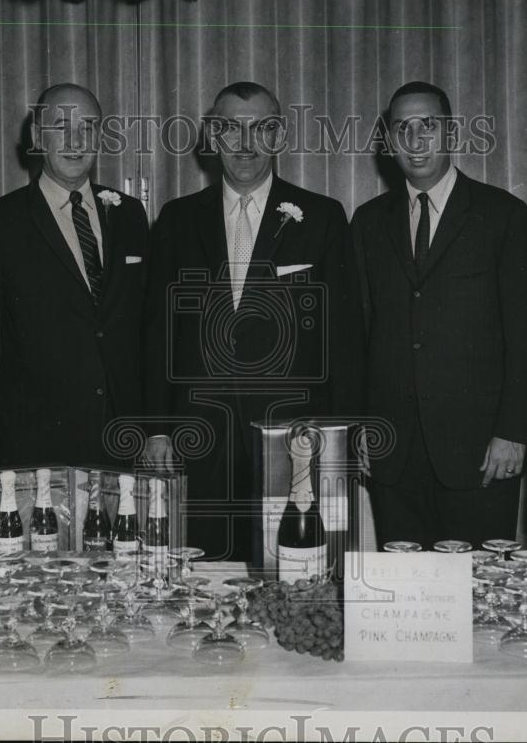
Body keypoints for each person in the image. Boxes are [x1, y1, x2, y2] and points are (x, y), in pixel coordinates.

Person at [142, 81, 362, 563]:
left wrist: (340, 438)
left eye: (260, 129)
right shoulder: (177, 220)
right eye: (230, 129)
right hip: (199, 436)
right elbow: (158, 333)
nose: (245, 144)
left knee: (293, 569)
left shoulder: (322, 217)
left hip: (295, 438)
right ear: (212, 138)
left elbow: (343, 338)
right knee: (203, 572)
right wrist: (157, 428)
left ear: (279, 137)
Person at [352, 81, 527, 550]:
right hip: (393, 453)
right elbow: (358, 334)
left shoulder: (503, 215)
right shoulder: (368, 221)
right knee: (408, 604)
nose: (416, 140)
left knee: (479, 600)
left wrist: (513, 433)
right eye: (403, 128)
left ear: (452, 133)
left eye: (428, 126)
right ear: (389, 141)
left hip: (481, 451)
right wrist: (359, 426)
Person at [0, 84, 148, 468]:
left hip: (122, 436)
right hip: (35, 439)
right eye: (61, 127)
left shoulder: (130, 214)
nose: (75, 141)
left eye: (87, 127)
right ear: (37, 137)